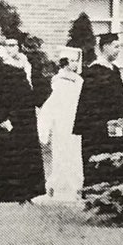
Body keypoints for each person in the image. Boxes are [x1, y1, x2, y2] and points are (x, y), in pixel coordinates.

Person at [0, 34, 51, 204]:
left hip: (26, 119)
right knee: (3, 158)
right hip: (8, 120)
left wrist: (37, 102)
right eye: (7, 45)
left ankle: (25, 195)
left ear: (19, 47)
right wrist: (1, 118)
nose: (11, 48)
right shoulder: (1, 69)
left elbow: (40, 90)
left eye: (14, 45)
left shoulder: (27, 66)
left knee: (26, 157)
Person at [75, 31, 123, 193]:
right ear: (105, 47)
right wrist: (104, 122)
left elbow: (121, 97)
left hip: (116, 124)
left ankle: (118, 191)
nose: (118, 50)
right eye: (116, 46)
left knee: (119, 157)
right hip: (99, 127)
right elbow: (90, 104)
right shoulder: (94, 71)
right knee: (100, 157)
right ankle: (97, 193)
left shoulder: (114, 70)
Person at [40, 45, 86, 201]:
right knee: (60, 154)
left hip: (75, 120)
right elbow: (53, 103)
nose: (74, 64)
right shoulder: (58, 80)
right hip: (61, 121)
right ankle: (54, 184)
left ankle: (77, 187)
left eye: (76, 61)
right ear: (65, 62)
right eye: (71, 61)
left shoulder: (79, 80)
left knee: (75, 154)